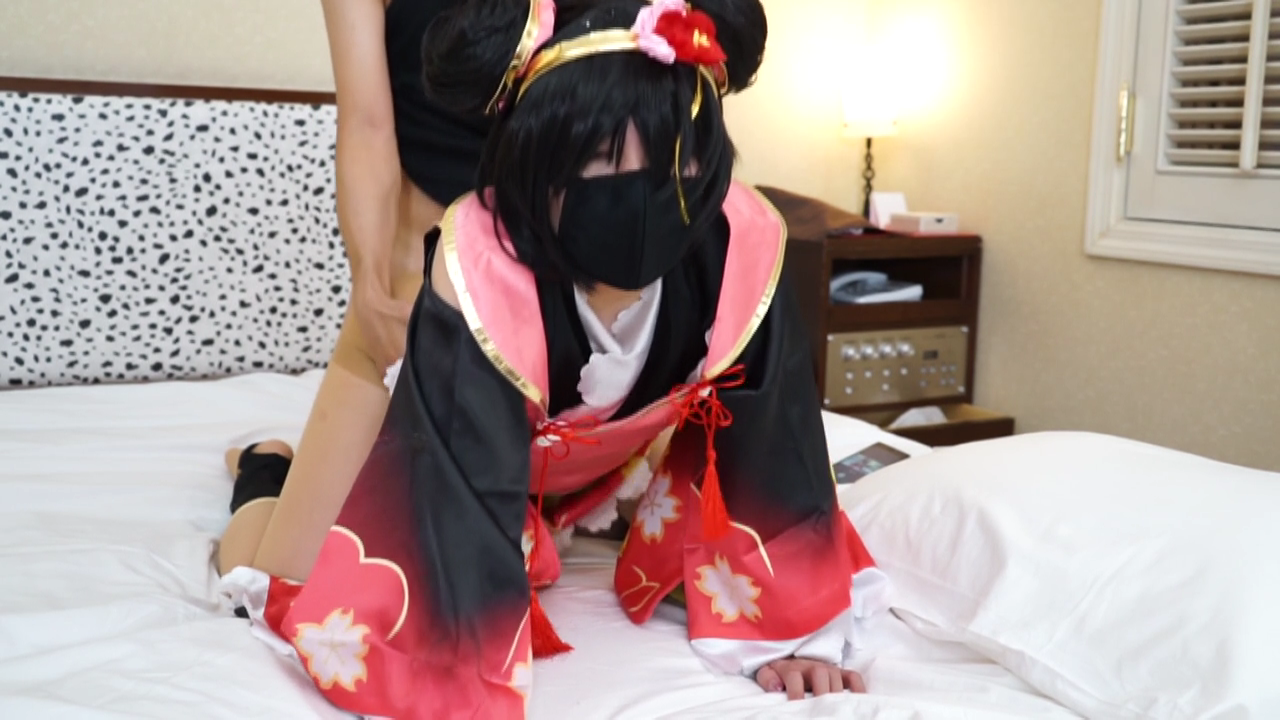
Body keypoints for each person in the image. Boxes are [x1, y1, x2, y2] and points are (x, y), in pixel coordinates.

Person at [219, 0, 887, 717]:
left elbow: (659, 100)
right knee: (282, 587)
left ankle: (554, 509)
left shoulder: (727, 237)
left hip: (597, 321)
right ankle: (267, 471)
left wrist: (792, 624)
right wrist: (372, 288)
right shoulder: (466, 266)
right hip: (440, 294)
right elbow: (369, 125)